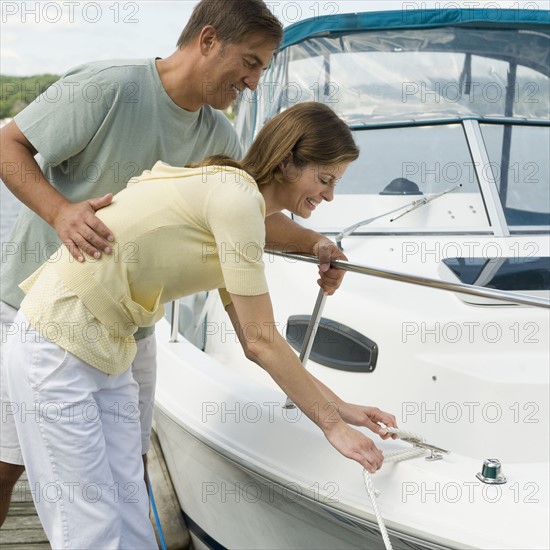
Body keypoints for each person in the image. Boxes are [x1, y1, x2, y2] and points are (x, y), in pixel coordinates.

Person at [0, 0, 347, 525]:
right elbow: (9, 143)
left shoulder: (220, 137)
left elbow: (245, 220)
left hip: (129, 323)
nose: (253, 82)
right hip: (36, 306)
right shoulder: (112, 86)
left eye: (262, 69)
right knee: (9, 464)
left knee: (130, 468)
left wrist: (314, 242)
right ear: (208, 40)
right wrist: (61, 213)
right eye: (250, 62)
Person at [5, 102, 397, 549]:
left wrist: (342, 406)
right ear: (288, 162)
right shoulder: (237, 199)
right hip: (57, 340)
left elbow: (258, 338)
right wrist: (331, 425)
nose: (329, 196)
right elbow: (261, 342)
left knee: (130, 504)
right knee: (88, 521)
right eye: (324, 179)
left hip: (108, 347)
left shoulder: (238, 203)